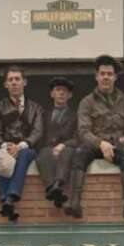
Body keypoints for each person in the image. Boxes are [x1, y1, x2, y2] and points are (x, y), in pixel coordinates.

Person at [66, 54, 124, 219]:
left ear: (115, 77)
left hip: (118, 145)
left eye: (109, 74)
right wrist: (101, 144)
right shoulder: (87, 102)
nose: (106, 77)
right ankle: (74, 202)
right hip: (94, 145)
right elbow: (83, 131)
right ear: (96, 76)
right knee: (79, 153)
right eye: (103, 73)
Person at [0, 64, 43, 222]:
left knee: (24, 155)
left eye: (17, 79)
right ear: (5, 84)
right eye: (10, 80)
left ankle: (10, 196)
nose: (14, 82)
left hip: (27, 148)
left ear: (24, 82)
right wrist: (5, 146)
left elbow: (38, 132)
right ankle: (7, 202)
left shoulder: (36, 108)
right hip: (6, 147)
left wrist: (20, 146)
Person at [36, 76, 78, 209]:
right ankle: (52, 188)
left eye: (64, 91)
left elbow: (78, 137)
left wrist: (63, 145)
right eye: (58, 90)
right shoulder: (43, 115)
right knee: (43, 153)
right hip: (47, 150)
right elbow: (38, 135)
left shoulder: (75, 116)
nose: (61, 93)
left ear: (70, 95)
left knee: (68, 152)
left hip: (66, 149)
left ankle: (58, 184)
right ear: (52, 94)